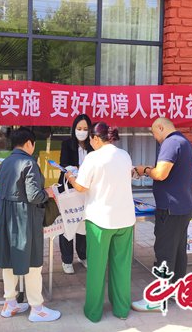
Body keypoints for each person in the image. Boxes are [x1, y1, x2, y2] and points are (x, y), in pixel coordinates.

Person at [65, 122, 136, 322]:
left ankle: (94, 312)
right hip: (125, 218)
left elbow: (81, 187)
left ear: (96, 138)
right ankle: (121, 309)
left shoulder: (93, 158)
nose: (89, 142)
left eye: (90, 139)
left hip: (100, 220)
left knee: (96, 268)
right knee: (121, 267)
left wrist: (70, 177)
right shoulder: (124, 155)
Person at [0, 127, 61, 322]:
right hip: (25, 218)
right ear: (29, 143)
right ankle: (37, 308)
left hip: (5, 216)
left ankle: (10, 303)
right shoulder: (29, 163)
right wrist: (48, 192)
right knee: (33, 262)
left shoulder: (4, 163)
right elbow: (34, 196)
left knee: (8, 260)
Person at [132, 117, 192, 312]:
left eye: (154, 132)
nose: (154, 137)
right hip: (183, 206)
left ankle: (158, 297)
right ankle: (176, 290)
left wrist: (144, 170)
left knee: (165, 252)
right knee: (178, 252)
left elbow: (160, 174)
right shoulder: (184, 142)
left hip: (171, 208)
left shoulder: (170, 143)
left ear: (161, 127)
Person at [57, 113, 93, 274]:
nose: (82, 131)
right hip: (69, 189)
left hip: (86, 190)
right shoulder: (67, 144)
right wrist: (77, 170)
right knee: (68, 223)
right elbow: (64, 165)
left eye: (85, 129)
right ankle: (66, 260)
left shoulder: (93, 145)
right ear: (74, 129)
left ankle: (83, 255)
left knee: (83, 225)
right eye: (79, 128)